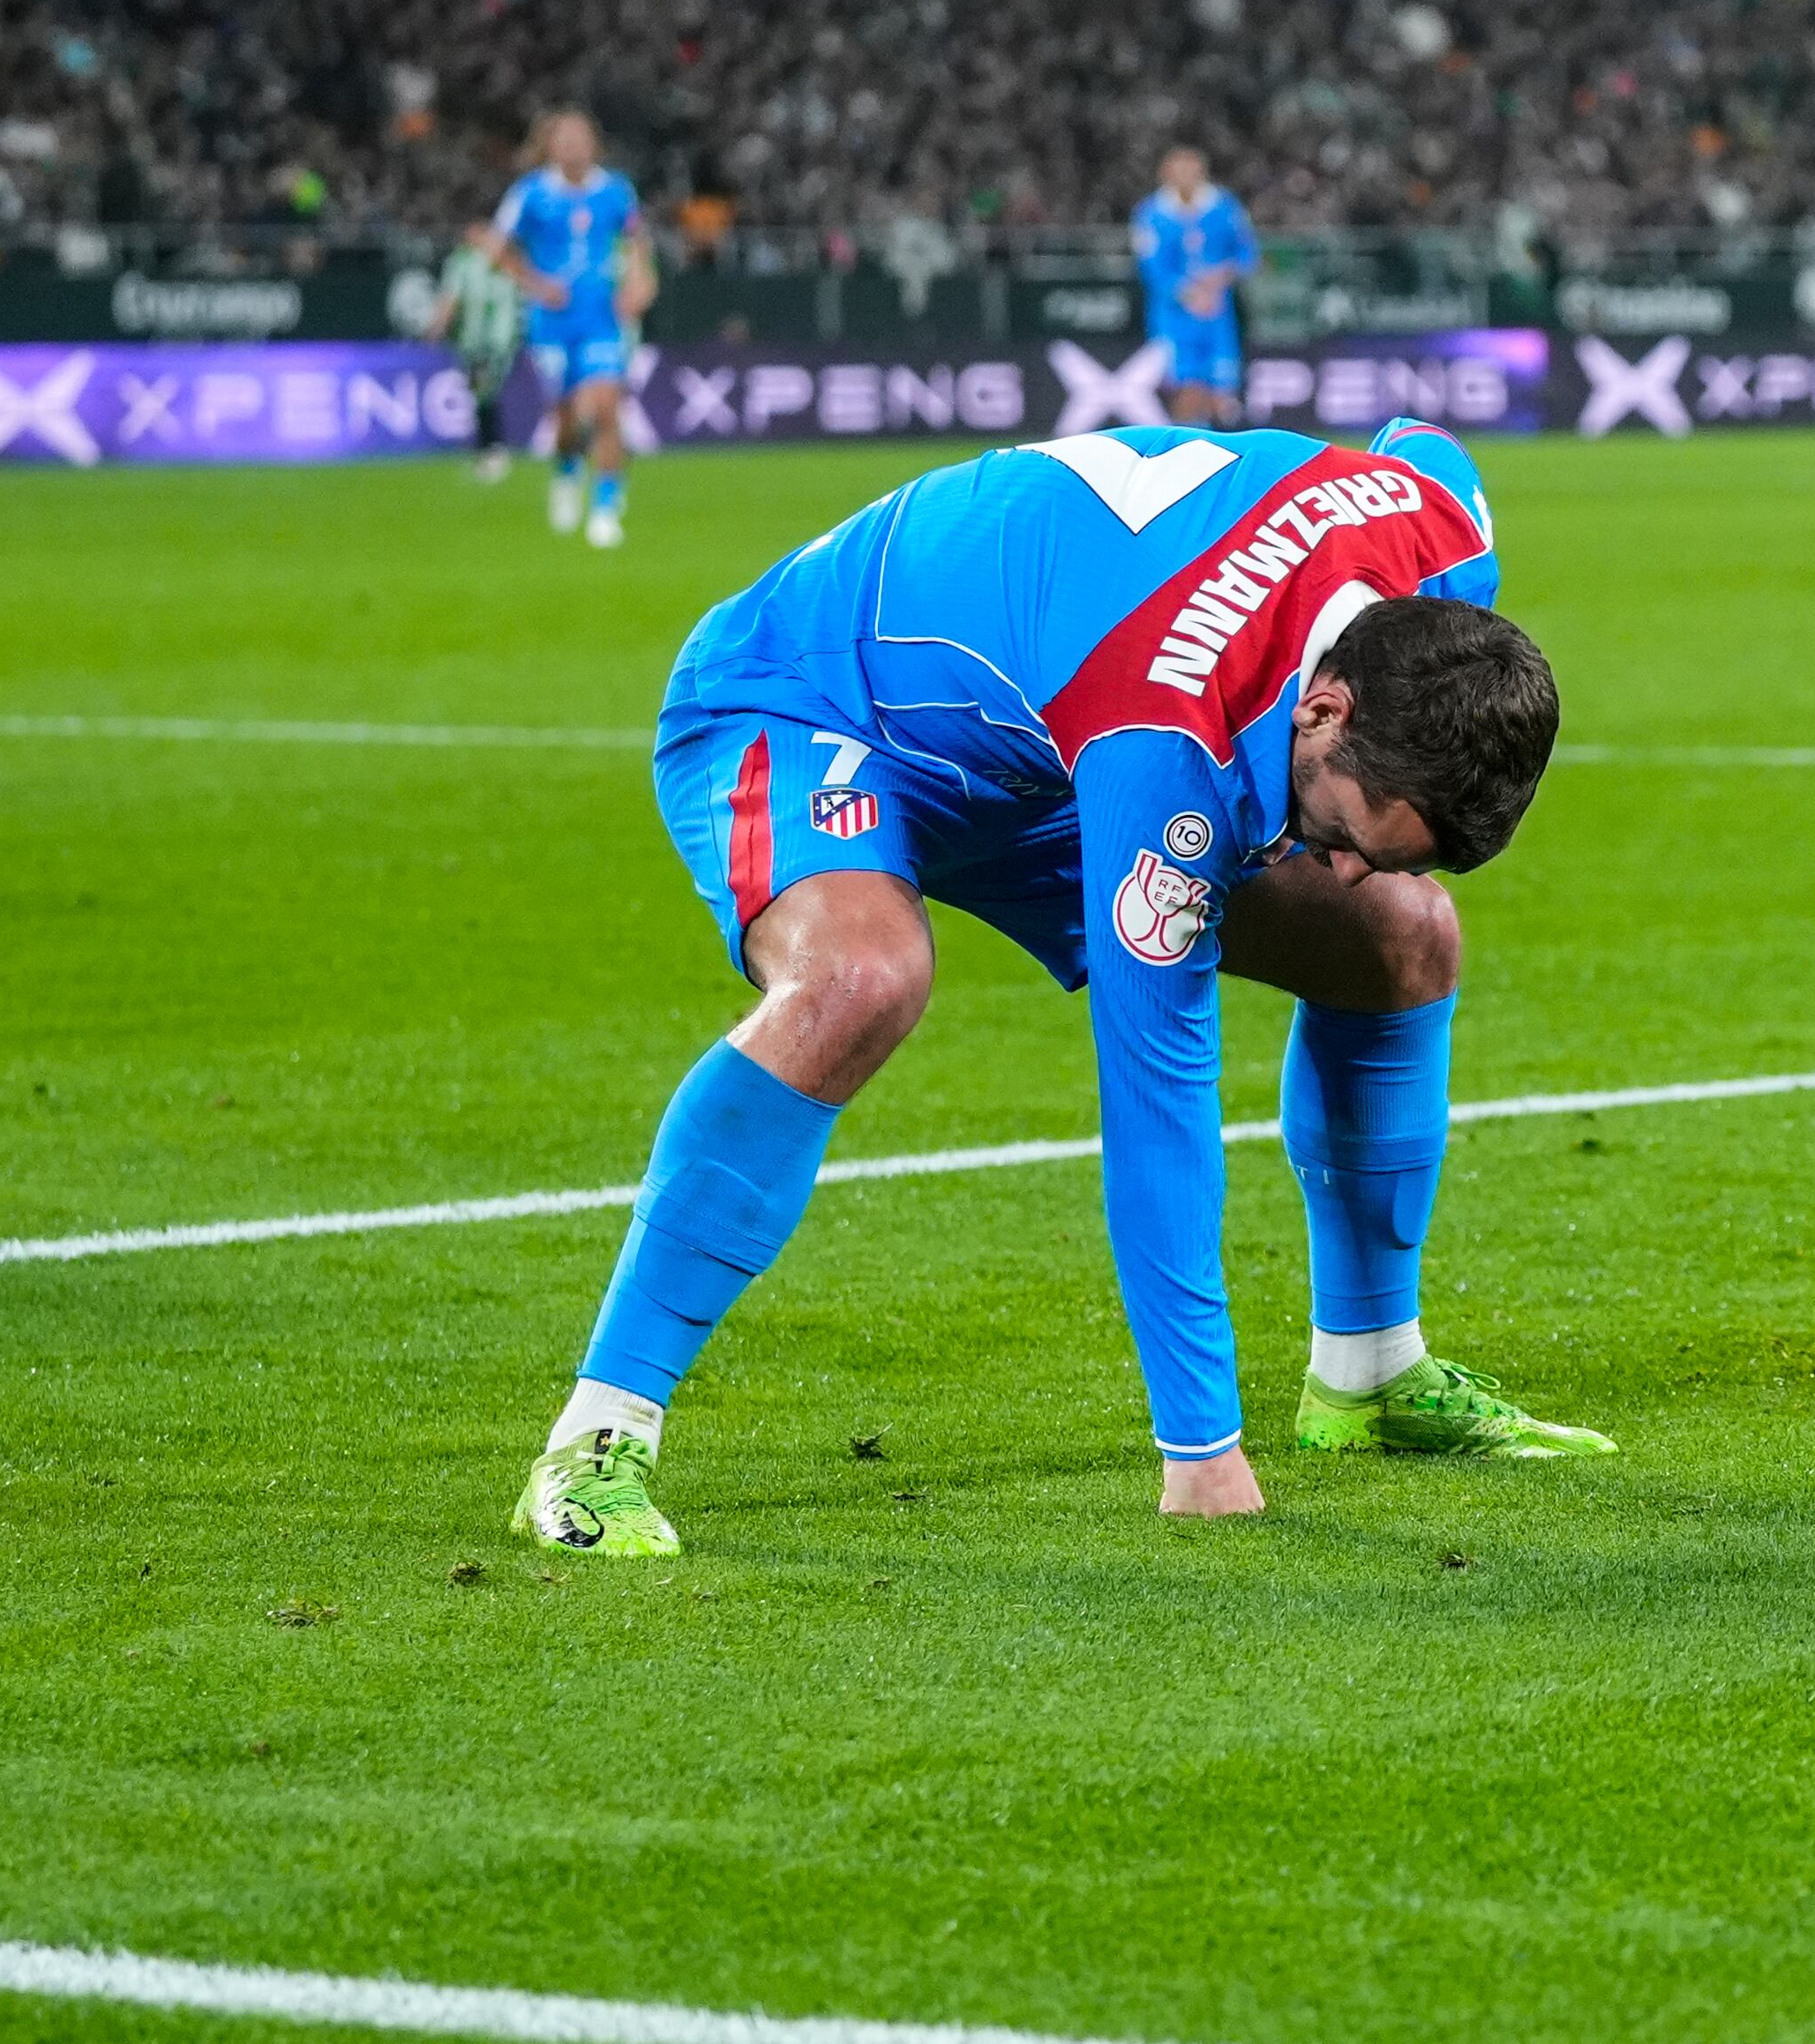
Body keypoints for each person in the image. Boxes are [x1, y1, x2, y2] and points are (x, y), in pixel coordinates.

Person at [512, 416, 1598, 1558]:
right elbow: (1156, 1095)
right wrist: (1201, 1451)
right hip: (817, 701)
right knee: (862, 977)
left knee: (1400, 933)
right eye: (1337, 826)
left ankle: (1370, 1369)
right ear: (1323, 706)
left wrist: (1364, 844)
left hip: (1042, 745)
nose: (1335, 863)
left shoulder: (1443, 529)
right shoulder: (1163, 731)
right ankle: (597, 1433)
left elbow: (1418, 440)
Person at [474, 109, 652, 547]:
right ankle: (567, 472)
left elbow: (635, 241)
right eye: (563, 138)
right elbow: (495, 247)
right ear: (549, 145)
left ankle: (606, 509)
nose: (572, 145)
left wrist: (638, 280)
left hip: (602, 318)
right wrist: (536, 285)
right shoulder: (531, 194)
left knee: (607, 405)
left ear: (594, 143)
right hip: (551, 324)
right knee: (568, 418)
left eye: (580, 137)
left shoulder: (615, 191)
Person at [1132, 146, 1259, 425]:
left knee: (1222, 393)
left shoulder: (1225, 206)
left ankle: (1221, 455)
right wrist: (1187, 293)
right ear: (1165, 174)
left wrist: (1223, 275)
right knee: (1186, 389)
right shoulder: (1151, 214)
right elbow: (1150, 267)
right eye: (1178, 170)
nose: (1186, 176)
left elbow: (1247, 253)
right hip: (1174, 314)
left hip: (1217, 313)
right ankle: (1190, 454)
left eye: (1191, 169)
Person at [424, 232, 529, 483]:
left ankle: (493, 450)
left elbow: (451, 299)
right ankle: (491, 450)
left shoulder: (490, 260)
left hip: (494, 341)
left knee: (484, 391)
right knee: (483, 394)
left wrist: (437, 327)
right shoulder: (478, 260)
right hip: (482, 341)